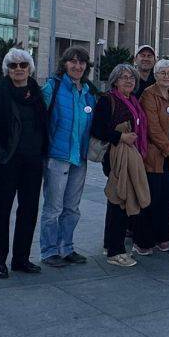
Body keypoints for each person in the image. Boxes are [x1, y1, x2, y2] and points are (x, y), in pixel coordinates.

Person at [0, 47, 47, 279]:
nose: (19, 69)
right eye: (13, 66)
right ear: (7, 70)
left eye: (23, 65)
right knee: (1, 212)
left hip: (32, 162)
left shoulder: (37, 94)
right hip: (6, 161)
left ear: (30, 68)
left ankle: (21, 258)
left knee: (29, 211)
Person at [40, 46, 98, 268]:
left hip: (79, 158)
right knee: (53, 208)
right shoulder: (52, 88)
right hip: (57, 156)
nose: (77, 66)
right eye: (73, 61)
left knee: (72, 207)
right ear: (64, 64)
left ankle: (67, 247)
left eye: (82, 62)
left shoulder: (88, 92)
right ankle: (49, 251)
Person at [91, 63, 148, 268]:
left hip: (130, 154)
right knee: (119, 200)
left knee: (117, 200)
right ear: (115, 80)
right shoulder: (108, 100)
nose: (128, 80)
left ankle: (111, 244)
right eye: (124, 77)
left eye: (132, 77)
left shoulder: (132, 100)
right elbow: (97, 129)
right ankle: (116, 251)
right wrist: (121, 136)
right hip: (116, 155)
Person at [137, 59, 169, 254]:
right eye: (162, 73)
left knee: (168, 199)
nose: (167, 76)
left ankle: (164, 237)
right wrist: (167, 147)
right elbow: (152, 126)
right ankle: (144, 241)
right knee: (151, 199)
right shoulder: (148, 95)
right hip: (154, 156)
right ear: (155, 75)